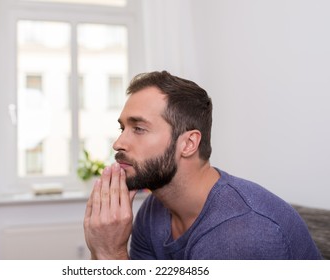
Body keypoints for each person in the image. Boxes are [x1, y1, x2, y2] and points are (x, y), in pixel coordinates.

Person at [83, 71, 322, 260]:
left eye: (139, 129)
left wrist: (110, 254)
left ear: (188, 143)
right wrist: (102, 250)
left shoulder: (242, 232)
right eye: (122, 128)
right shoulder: (153, 212)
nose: (118, 143)